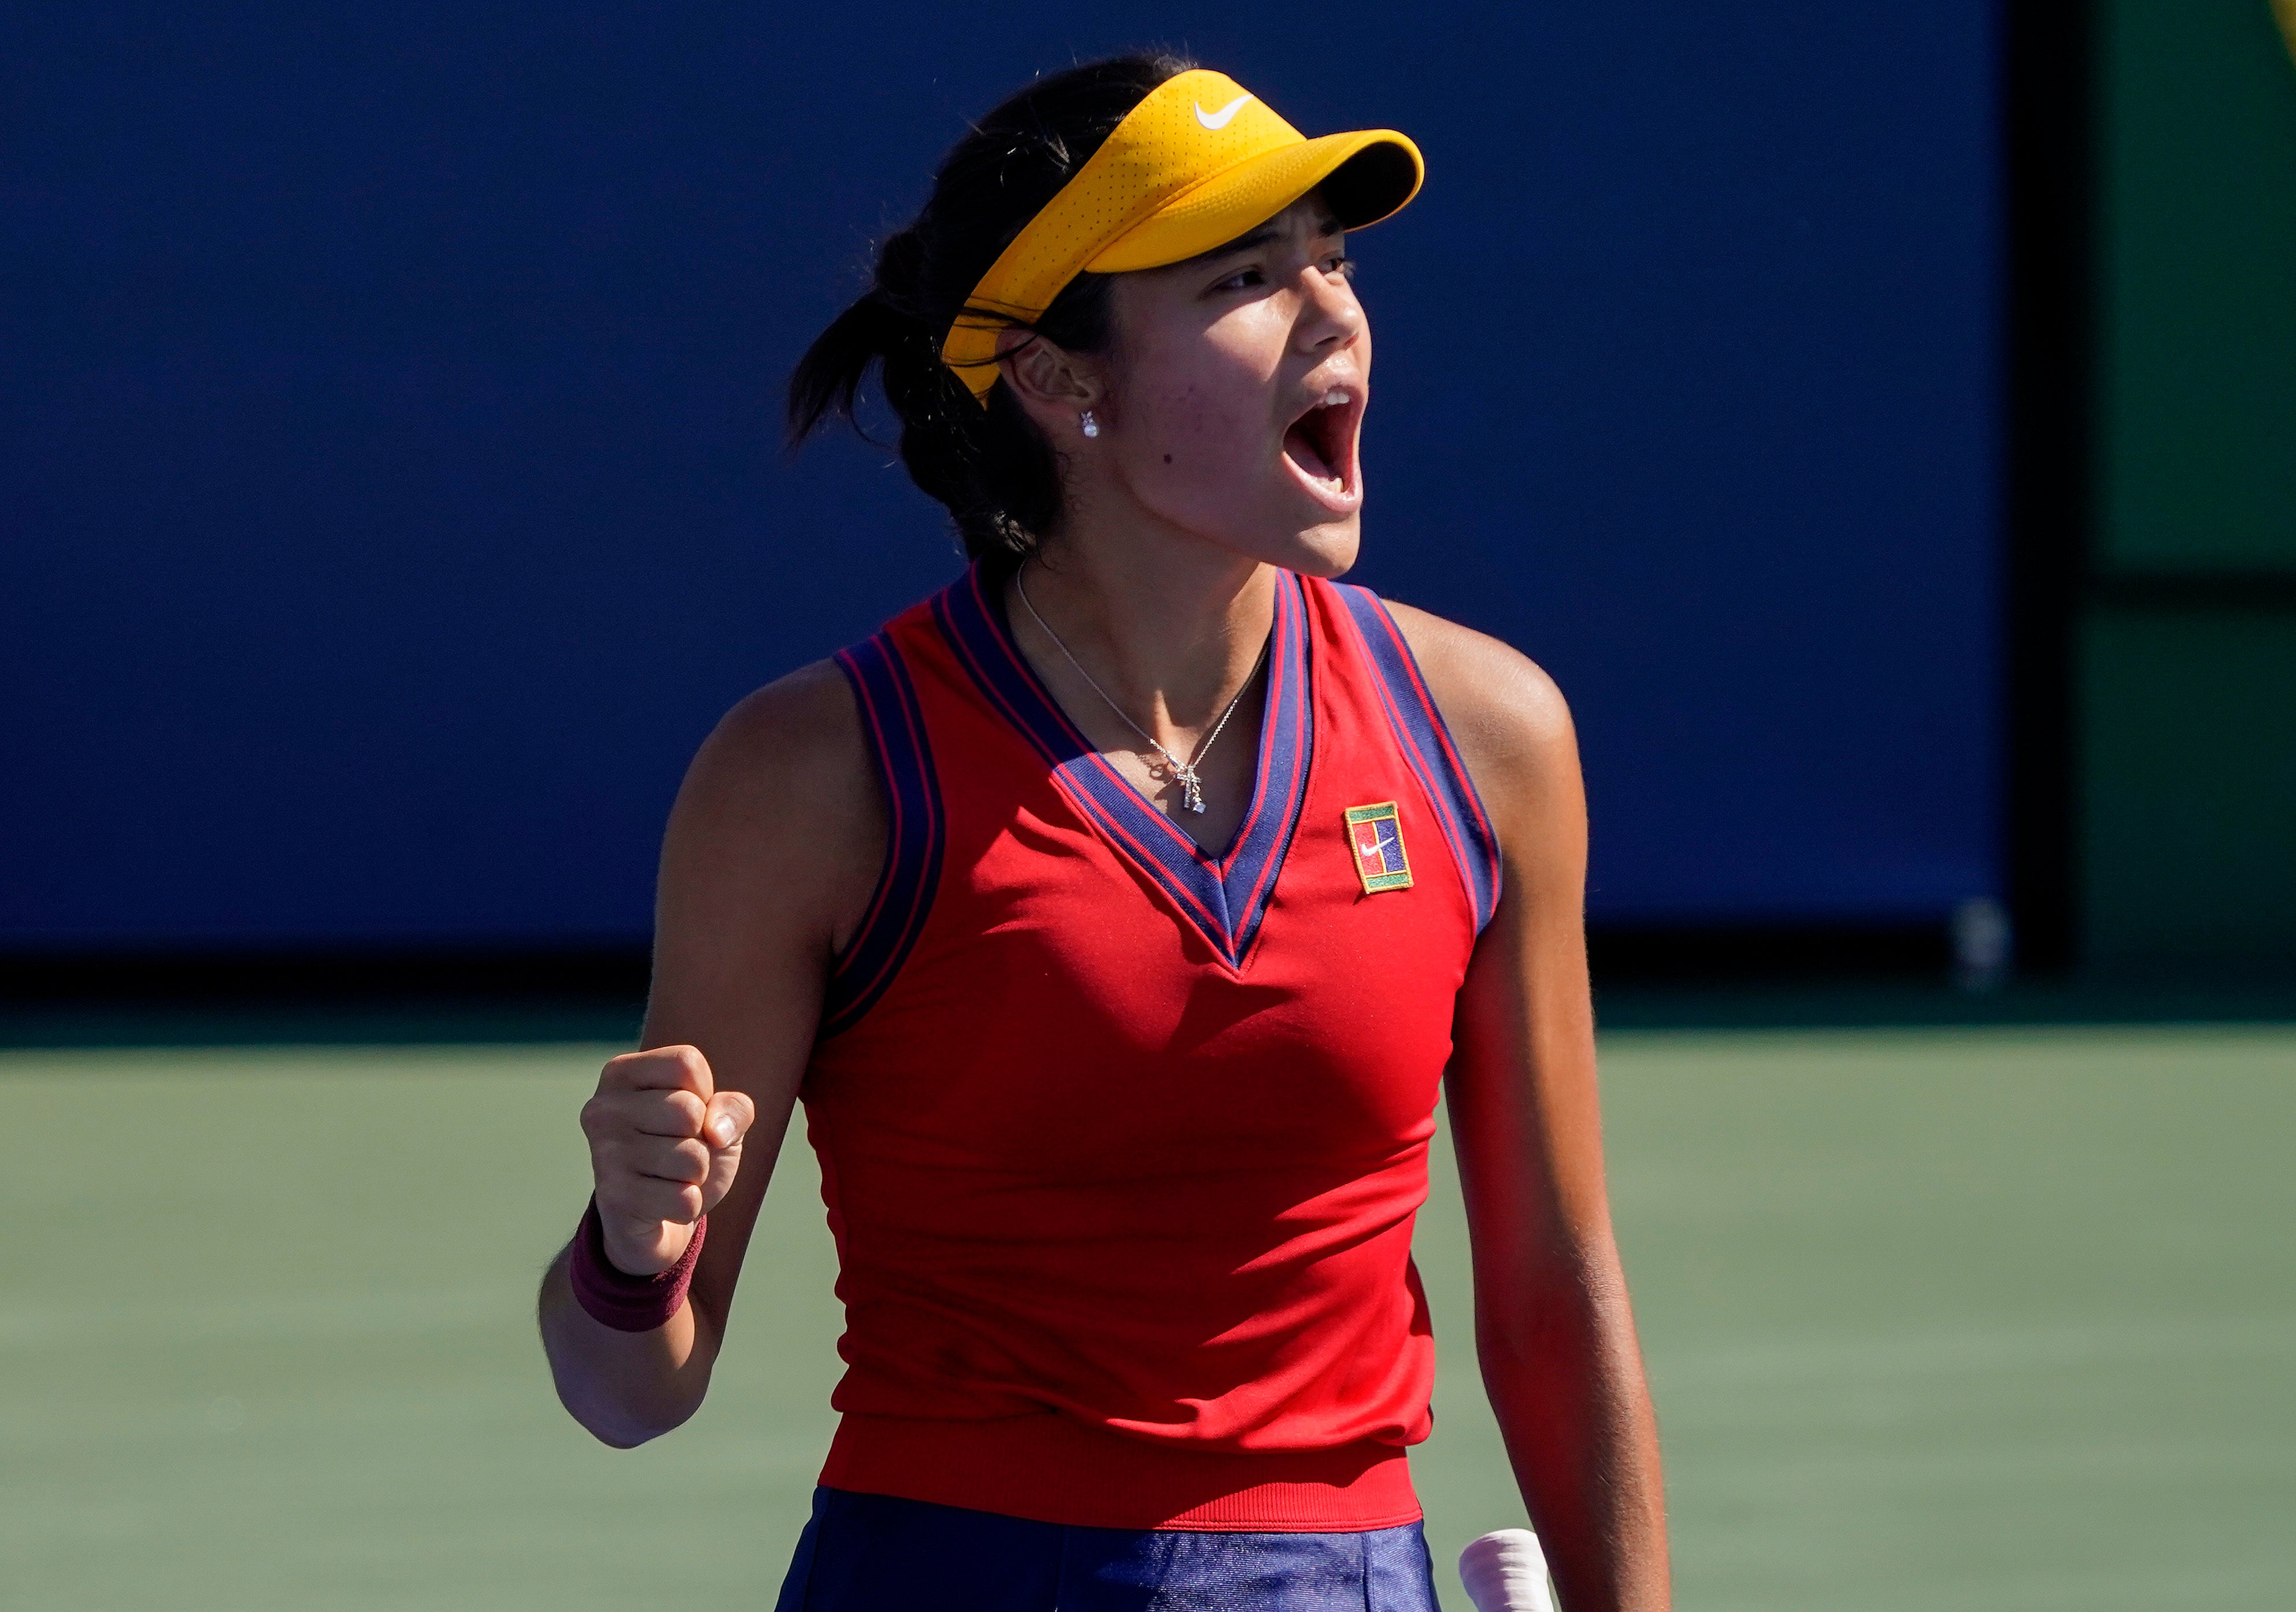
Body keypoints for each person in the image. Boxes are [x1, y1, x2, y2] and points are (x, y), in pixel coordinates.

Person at [536, 54, 1669, 1611]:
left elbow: (1551, 1296)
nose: (1332, 313)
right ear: (1064, 382)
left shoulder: (1491, 739)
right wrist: (627, 1244)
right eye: (1247, 278)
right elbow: (628, 1389)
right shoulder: (807, 776)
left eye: (1331, 264)